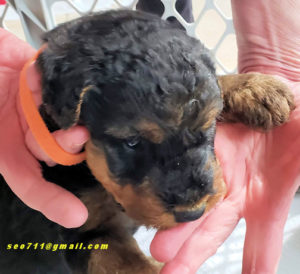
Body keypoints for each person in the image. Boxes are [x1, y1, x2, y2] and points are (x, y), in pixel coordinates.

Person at [0, 0, 299, 273]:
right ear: (68, 105)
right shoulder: (59, 131)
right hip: (31, 253)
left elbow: (166, 98)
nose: (192, 204)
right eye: (133, 143)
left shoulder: (138, 106)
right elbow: (89, 242)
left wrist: (244, 82)